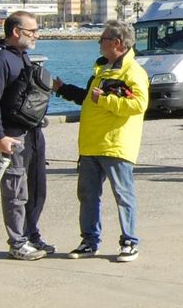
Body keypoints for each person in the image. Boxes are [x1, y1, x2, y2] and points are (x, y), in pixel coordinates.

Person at [54, 20, 149, 263]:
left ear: (117, 43)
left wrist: (105, 100)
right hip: (90, 145)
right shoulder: (101, 70)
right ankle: (89, 241)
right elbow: (88, 99)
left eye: (103, 40)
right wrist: (62, 88)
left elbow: (139, 105)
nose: (99, 44)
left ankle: (129, 241)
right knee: (87, 195)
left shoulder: (133, 72)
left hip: (116, 145)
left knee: (123, 195)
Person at [0, 11, 54, 261]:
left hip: (33, 132)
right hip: (12, 135)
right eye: (31, 31)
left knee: (37, 188)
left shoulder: (23, 56)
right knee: (15, 190)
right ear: (15, 32)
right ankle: (17, 241)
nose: (36, 35)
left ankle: (31, 234)